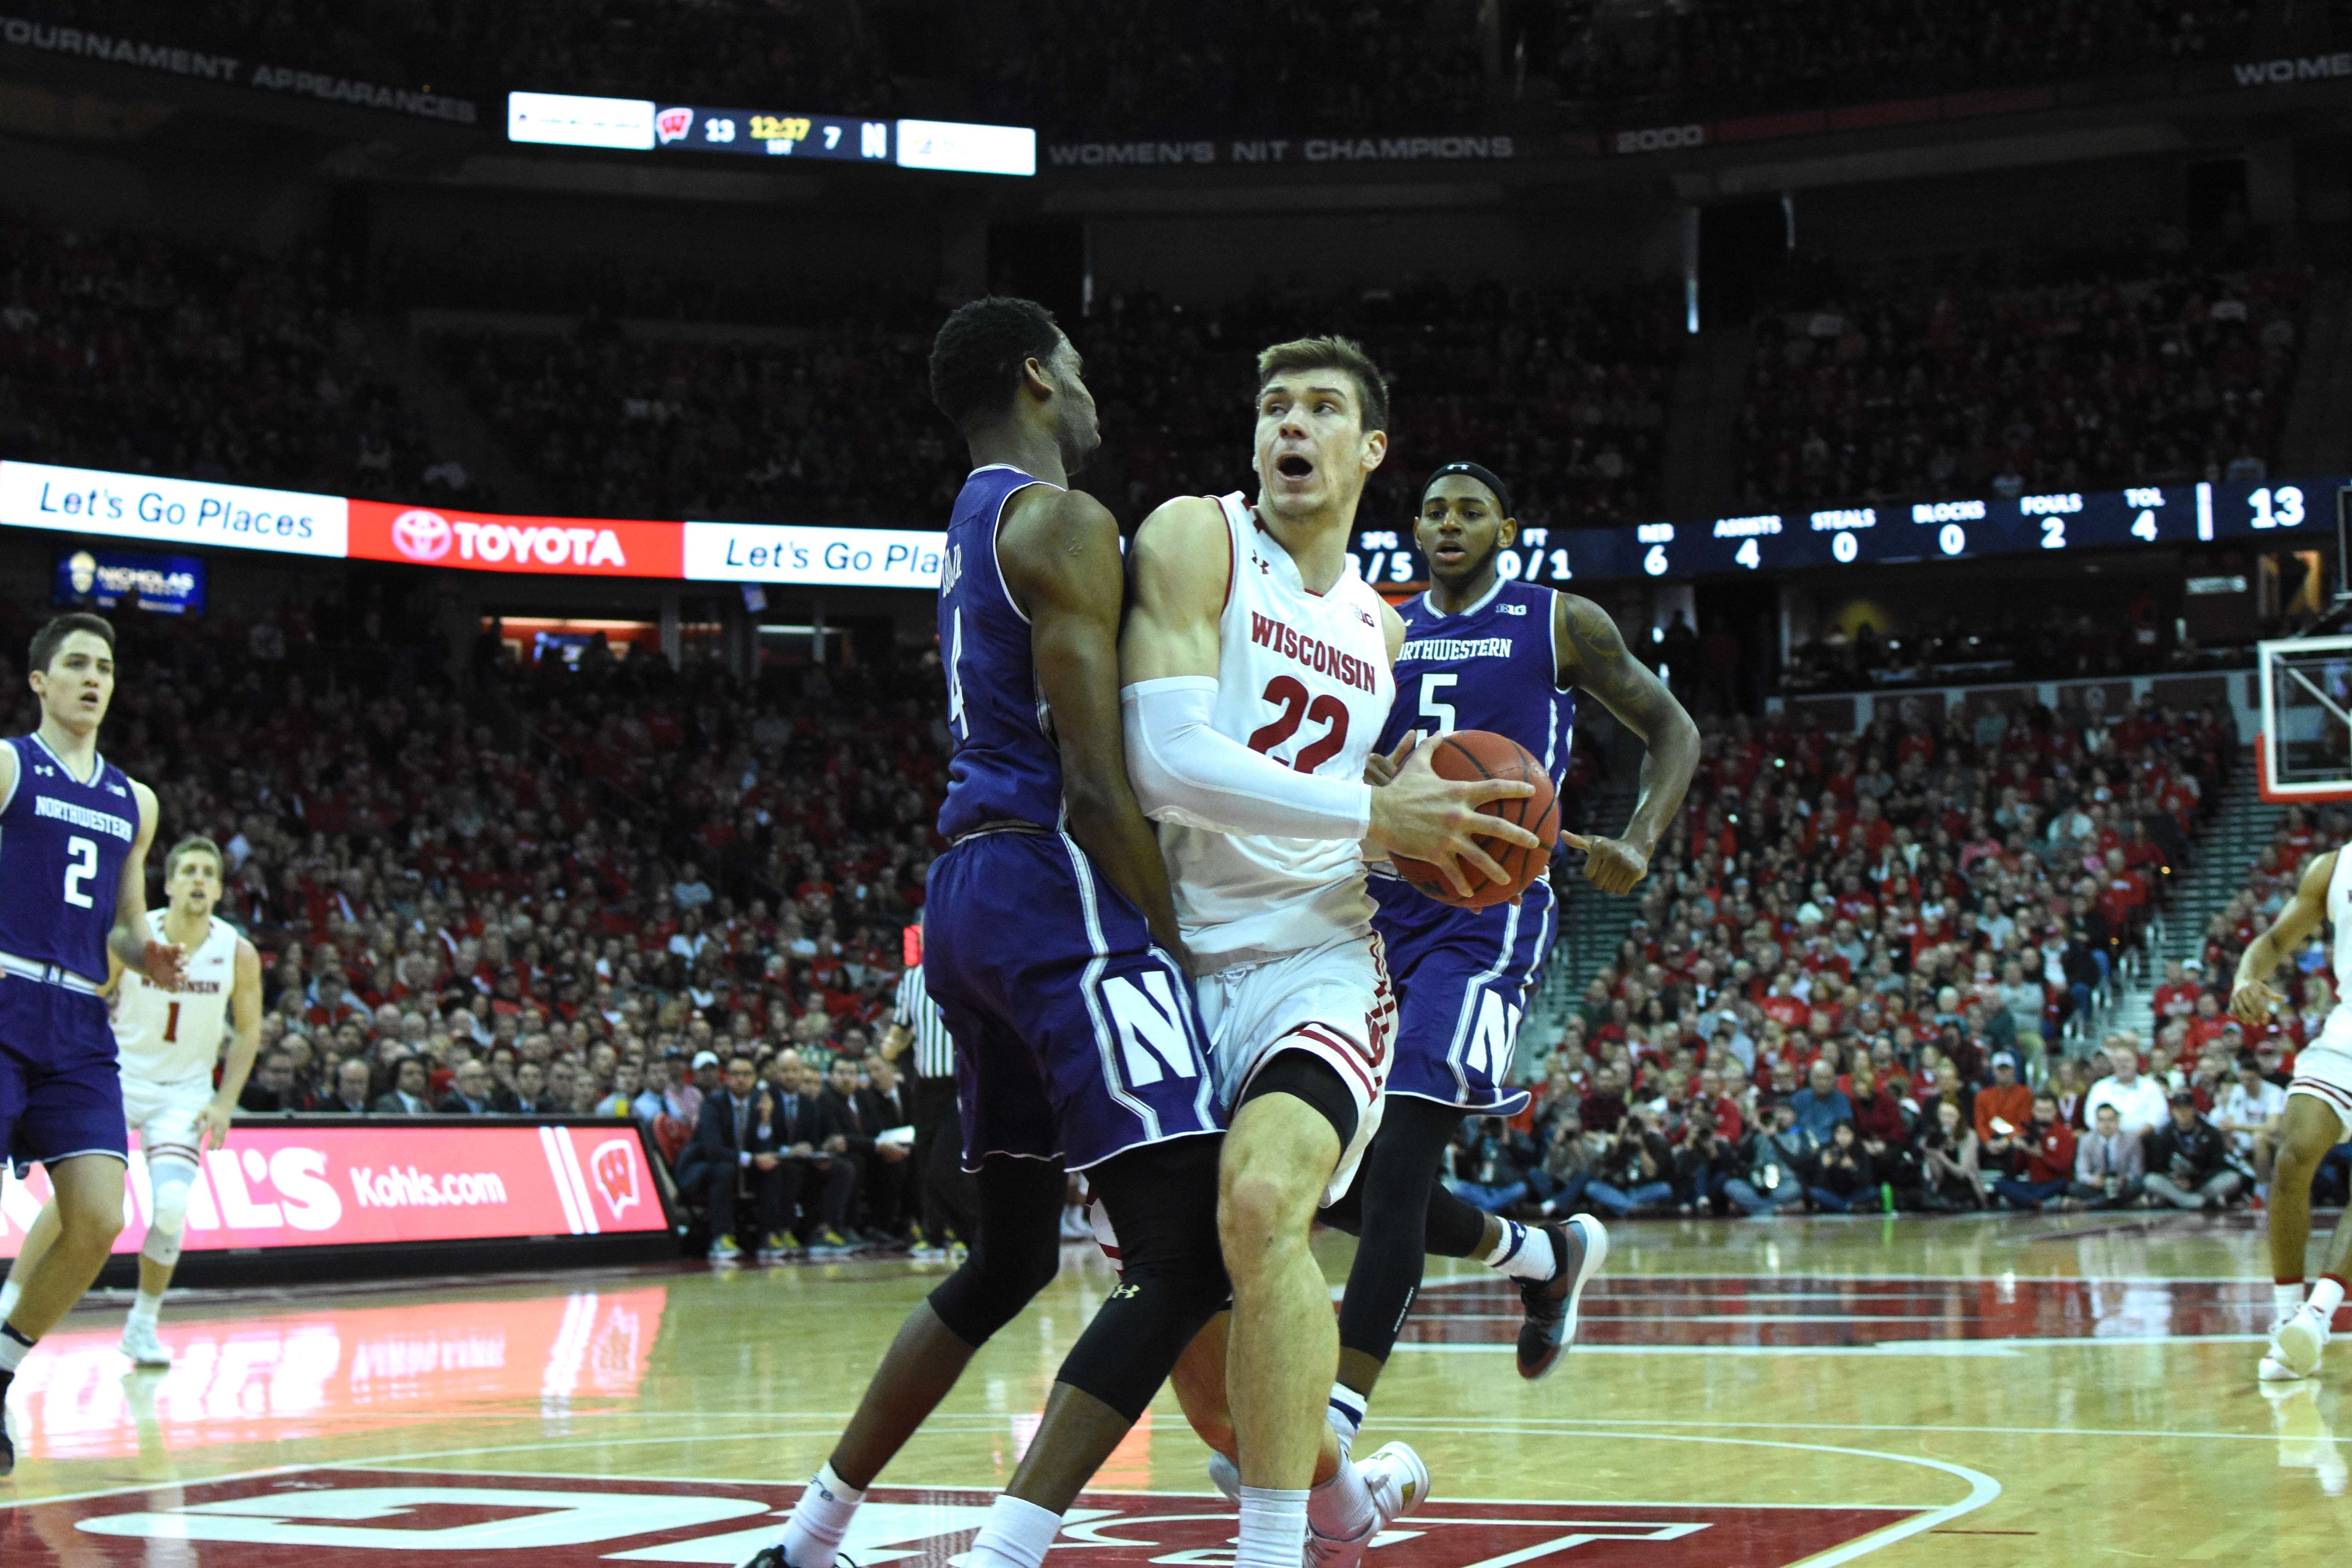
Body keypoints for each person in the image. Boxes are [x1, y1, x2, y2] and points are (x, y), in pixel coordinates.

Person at [747, 298, 1234, 1568]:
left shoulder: (965, 530)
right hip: (1050, 887)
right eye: (1072, 369)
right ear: (1033, 374)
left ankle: (807, 1540)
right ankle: (1006, 1551)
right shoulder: (1064, 521)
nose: (1087, 392)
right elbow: (1090, 781)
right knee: (1186, 1253)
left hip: (962, 899)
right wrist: (1181, 942)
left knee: (1010, 1255)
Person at [1116, 333, 1551, 1568]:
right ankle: (1346, 1499)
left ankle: (1271, 1552)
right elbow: (1166, 764)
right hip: (1167, 965)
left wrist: (1404, 833)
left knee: (1267, 1206)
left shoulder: (1384, 632)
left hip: (1312, 956)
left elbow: (1340, 804)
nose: (1287, 426)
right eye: (1270, 407)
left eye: (1318, 408)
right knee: (1214, 1397)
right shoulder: (1196, 538)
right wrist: (1377, 812)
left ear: (1366, 451)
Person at [1320, 458, 1694, 1418]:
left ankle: (1328, 1429)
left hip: (1488, 916)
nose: (1451, 523)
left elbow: (1673, 728)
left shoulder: (1558, 620)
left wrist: (1641, 841)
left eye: (1471, 511)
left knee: (1400, 1162)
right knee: (1325, 1182)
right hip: (1373, 907)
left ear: (1506, 527)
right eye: (1435, 510)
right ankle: (1543, 1253)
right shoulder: (1374, 623)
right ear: (1414, 530)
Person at [0, 613, 184, 1474]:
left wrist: (147, 953)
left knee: (103, 1217)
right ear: (39, 681)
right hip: (2, 997)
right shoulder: (8, 765)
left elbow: (122, 928)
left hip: (78, 1025)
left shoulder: (134, 801)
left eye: (104, 666)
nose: (92, 678)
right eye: (74, 664)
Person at [0, 834, 254, 1371]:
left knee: (169, 1210)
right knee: (80, 1197)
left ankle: (143, 1325)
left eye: (209, 873)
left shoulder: (236, 951)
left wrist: (225, 1101)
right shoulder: (137, 938)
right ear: (168, 882)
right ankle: (11, 1296)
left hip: (183, 1094)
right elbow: (89, 993)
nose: (199, 881)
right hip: (117, 1075)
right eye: (189, 871)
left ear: (221, 888)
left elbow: (249, 1031)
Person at [2230, 845, 2352, 1382]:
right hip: (2346, 1033)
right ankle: (2286, 1324)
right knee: (2292, 1157)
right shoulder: (2333, 867)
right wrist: (2243, 978)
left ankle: (2317, 1315)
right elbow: (2275, 941)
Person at [883, 926, 977, 1259]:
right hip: (925, 1088)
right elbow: (900, 1028)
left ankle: (976, 1237)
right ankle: (936, 1235)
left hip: (960, 1084)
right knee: (928, 1169)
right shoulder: (910, 980)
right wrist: (887, 1048)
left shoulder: (965, 971)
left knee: (945, 1168)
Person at [677, 1054, 783, 1262]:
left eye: (747, 1074)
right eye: (736, 1074)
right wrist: (752, 1160)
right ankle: (721, 1238)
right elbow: (713, 1151)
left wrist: (765, 1121)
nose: (741, 1079)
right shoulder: (713, 1104)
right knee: (725, 1170)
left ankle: (768, 1236)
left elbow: (766, 1147)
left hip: (740, 1166)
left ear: (755, 1079)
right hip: (703, 1167)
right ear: (726, 1078)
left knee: (772, 1168)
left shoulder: (761, 1102)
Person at [2142, 1090, 2242, 1210]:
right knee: (2151, 1180)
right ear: (2173, 1112)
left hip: (2203, 1184)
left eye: (2186, 1109)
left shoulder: (2210, 1133)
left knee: (2232, 1178)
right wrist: (2176, 1179)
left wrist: (2195, 1181)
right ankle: (2197, 1203)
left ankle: (2183, 1202)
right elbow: (2158, 1166)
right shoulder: (2164, 1135)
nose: (2183, 1114)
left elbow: (2217, 1166)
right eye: (2179, 1110)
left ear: (2194, 1109)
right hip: (2175, 1185)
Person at [1991, 1092, 2075, 1210]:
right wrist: (2021, 1150)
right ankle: (2035, 1202)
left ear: (2055, 1111)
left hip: (2053, 1184)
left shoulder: (2065, 1134)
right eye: (2040, 1110)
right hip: (2033, 1185)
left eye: (2048, 1111)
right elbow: (2018, 1169)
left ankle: (2027, 1201)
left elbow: (2064, 1167)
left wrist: (2041, 1155)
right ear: (2033, 1111)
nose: (2043, 1115)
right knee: (2001, 1184)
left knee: (2062, 1184)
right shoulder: (2029, 1132)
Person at [2067, 1103, 2144, 1210]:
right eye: (2102, 1120)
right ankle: (2121, 1204)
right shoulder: (2086, 1141)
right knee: (2073, 1188)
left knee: (2139, 1185)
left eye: (2110, 1120)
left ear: (2118, 1121)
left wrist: (2124, 1179)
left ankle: (2090, 1205)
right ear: (2096, 1122)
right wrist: (2092, 1180)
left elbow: (2137, 1171)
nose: (2106, 1124)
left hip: (2122, 1186)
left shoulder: (2132, 1140)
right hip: (2098, 1186)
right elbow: (2081, 1173)